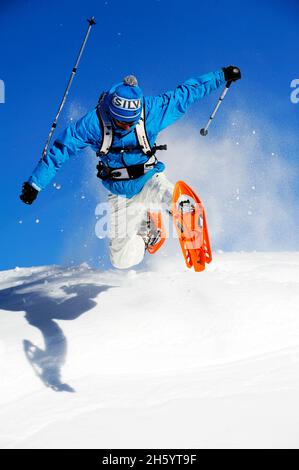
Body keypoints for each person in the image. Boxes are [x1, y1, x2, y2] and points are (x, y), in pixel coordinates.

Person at [20, 66, 241, 269]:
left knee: (167, 195)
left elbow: (186, 93)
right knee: (120, 260)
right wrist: (36, 183)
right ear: (111, 114)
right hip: (119, 193)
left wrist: (221, 75)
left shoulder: (152, 110)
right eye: (122, 123)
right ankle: (149, 233)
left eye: (131, 122)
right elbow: (62, 149)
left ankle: (181, 206)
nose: (127, 126)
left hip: (149, 179)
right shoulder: (93, 124)